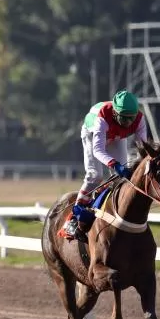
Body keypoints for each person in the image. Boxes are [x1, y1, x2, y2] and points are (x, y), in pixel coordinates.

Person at [63, 89, 149, 240]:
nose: (128, 123)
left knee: (120, 180)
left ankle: (110, 210)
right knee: (95, 175)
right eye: (124, 118)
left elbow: (143, 149)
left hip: (115, 136)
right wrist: (115, 164)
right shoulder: (103, 117)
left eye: (131, 118)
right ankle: (74, 219)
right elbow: (98, 150)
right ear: (115, 113)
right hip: (92, 134)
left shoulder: (139, 119)